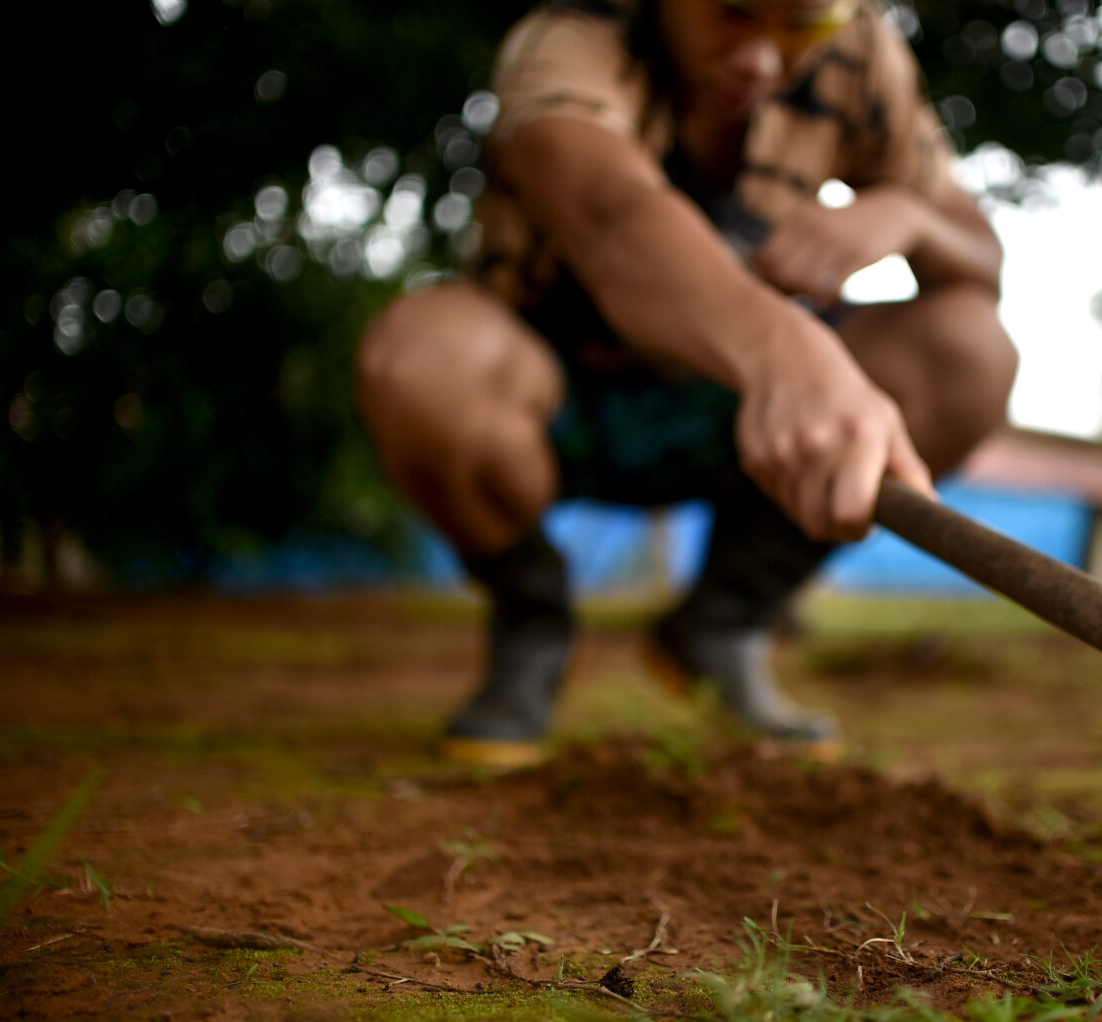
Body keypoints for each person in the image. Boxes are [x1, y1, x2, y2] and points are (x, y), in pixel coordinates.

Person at [356, 0, 1018, 767]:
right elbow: (609, 216)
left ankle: (721, 624)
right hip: (560, 395)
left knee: (967, 349)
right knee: (423, 359)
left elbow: (979, 255)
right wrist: (785, 351)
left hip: (735, 414)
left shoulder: (867, 55)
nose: (763, 62)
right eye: (733, 15)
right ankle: (531, 620)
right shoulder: (572, 40)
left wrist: (909, 215)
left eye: (802, 30)